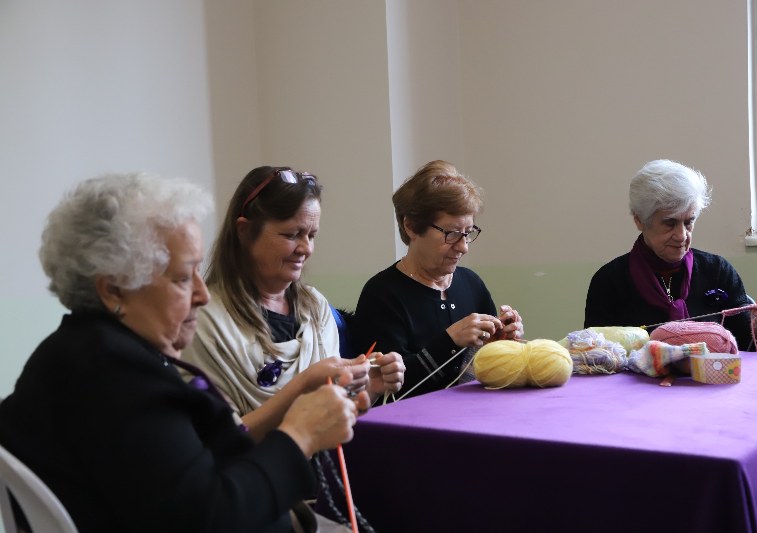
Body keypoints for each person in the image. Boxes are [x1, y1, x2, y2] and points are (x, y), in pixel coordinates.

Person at [0, 173, 365, 533]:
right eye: (182, 277)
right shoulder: (112, 376)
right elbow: (211, 518)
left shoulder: (85, 354)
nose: (202, 294)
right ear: (114, 290)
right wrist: (299, 435)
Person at [181, 165, 405, 427]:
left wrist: (371, 386)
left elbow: (327, 415)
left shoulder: (316, 307)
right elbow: (221, 440)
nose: (306, 248)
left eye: (312, 235)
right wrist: (303, 386)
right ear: (244, 232)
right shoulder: (204, 321)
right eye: (291, 235)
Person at [354, 160, 525, 399]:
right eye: (452, 233)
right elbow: (387, 391)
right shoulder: (382, 294)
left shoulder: (471, 283)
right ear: (411, 226)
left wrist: (502, 343)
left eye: (468, 233)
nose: (463, 246)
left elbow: (486, 371)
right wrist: (450, 341)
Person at [584, 159, 757, 353]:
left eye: (688, 222)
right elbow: (596, 358)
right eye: (669, 223)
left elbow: (745, 351)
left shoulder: (718, 271)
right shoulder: (609, 281)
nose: (682, 235)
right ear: (640, 221)